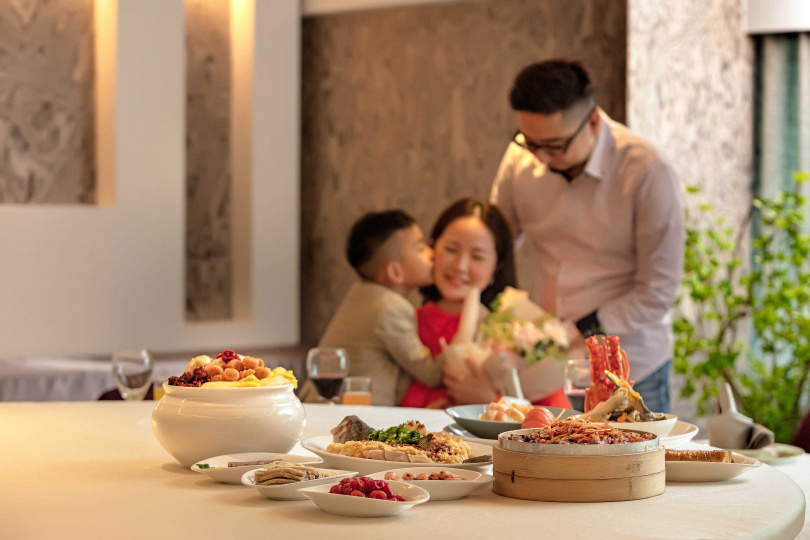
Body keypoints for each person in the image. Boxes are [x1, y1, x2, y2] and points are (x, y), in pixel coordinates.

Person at [490, 59, 685, 413]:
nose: (541, 158)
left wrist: (580, 329)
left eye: (555, 146)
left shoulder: (647, 172)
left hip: (631, 369)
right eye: (531, 143)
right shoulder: (521, 157)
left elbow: (657, 292)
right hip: (550, 369)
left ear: (593, 122)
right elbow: (496, 245)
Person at [399, 197, 570, 409]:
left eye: (477, 257)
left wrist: (492, 400)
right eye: (451, 249)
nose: (460, 266)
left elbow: (557, 416)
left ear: (497, 266)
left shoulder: (519, 332)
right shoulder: (403, 323)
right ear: (432, 248)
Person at [300, 210, 441, 406]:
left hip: (319, 405)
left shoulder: (360, 294)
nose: (432, 254)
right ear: (395, 272)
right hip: (347, 414)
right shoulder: (391, 308)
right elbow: (431, 374)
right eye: (420, 247)